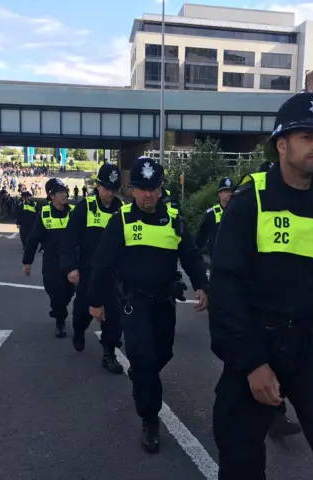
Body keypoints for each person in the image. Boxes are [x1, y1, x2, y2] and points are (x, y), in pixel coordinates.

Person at [208, 92, 313, 479]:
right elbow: (226, 285)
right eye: (306, 136)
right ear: (282, 145)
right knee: (239, 453)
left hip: (310, 341)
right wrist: (251, 362)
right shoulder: (250, 201)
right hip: (256, 337)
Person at [87, 157, 209, 453]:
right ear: (131, 190)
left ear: (161, 188)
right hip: (134, 303)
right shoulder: (123, 220)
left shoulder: (174, 220)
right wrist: (95, 300)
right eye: (141, 189)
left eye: (153, 188)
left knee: (162, 354)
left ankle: (143, 375)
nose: (147, 195)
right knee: (142, 359)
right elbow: (102, 263)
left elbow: (191, 255)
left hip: (164, 303)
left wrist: (203, 285)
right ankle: (149, 418)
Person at [60, 164, 124, 373]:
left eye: (114, 189)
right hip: (88, 273)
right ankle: (78, 331)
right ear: (98, 186)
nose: (110, 193)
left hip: (113, 275)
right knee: (81, 314)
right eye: (106, 188)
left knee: (114, 316)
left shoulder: (122, 211)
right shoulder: (85, 208)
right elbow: (69, 240)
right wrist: (71, 267)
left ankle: (109, 354)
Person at [22, 178, 76, 338]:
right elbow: (33, 238)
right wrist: (27, 261)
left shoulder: (74, 211)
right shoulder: (44, 213)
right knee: (54, 290)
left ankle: (61, 309)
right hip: (51, 260)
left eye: (65, 191)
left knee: (68, 292)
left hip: (71, 260)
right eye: (60, 192)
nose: (64, 195)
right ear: (51, 196)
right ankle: (60, 319)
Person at [195, 177, 234, 260]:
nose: (229, 194)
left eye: (230, 191)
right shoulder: (212, 213)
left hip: (234, 258)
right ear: (219, 194)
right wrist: (194, 253)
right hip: (217, 258)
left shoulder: (237, 211)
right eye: (226, 191)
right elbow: (202, 235)